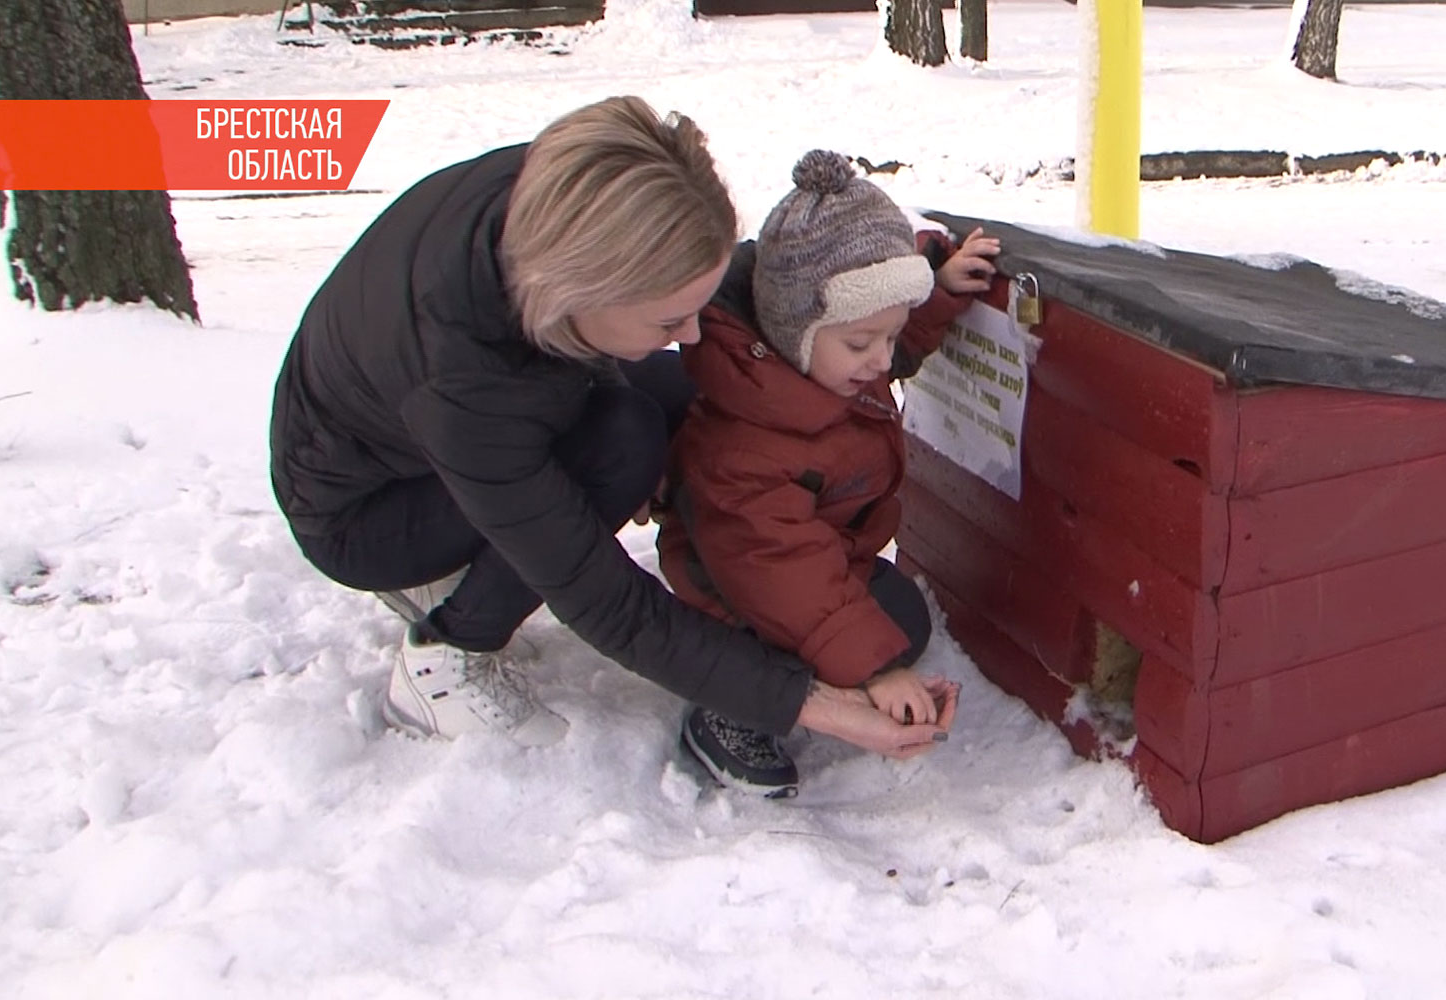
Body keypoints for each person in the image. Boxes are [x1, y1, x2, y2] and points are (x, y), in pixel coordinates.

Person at [268, 97, 955, 763]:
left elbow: (762, 297)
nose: (686, 336)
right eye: (665, 323)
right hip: (368, 509)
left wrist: (897, 272)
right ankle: (447, 658)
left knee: (700, 390)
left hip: (433, 421)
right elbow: (609, 604)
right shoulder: (465, 378)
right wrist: (806, 702)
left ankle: (745, 573)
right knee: (622, 442)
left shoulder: (580, 195)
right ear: (583, 293)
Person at [655, 149, 1000, 796]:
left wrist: (938, 288)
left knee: (899, 622)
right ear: (793, 332)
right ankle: (728, 712)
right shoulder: (748, 440)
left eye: (891, 337)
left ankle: (828, 657)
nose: (882, 360)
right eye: (861, 344)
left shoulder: (821, 363)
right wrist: (873, 671)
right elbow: (782, 566)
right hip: (740, 583)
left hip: (823, 550)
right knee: (844, 642)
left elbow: (876, 323)